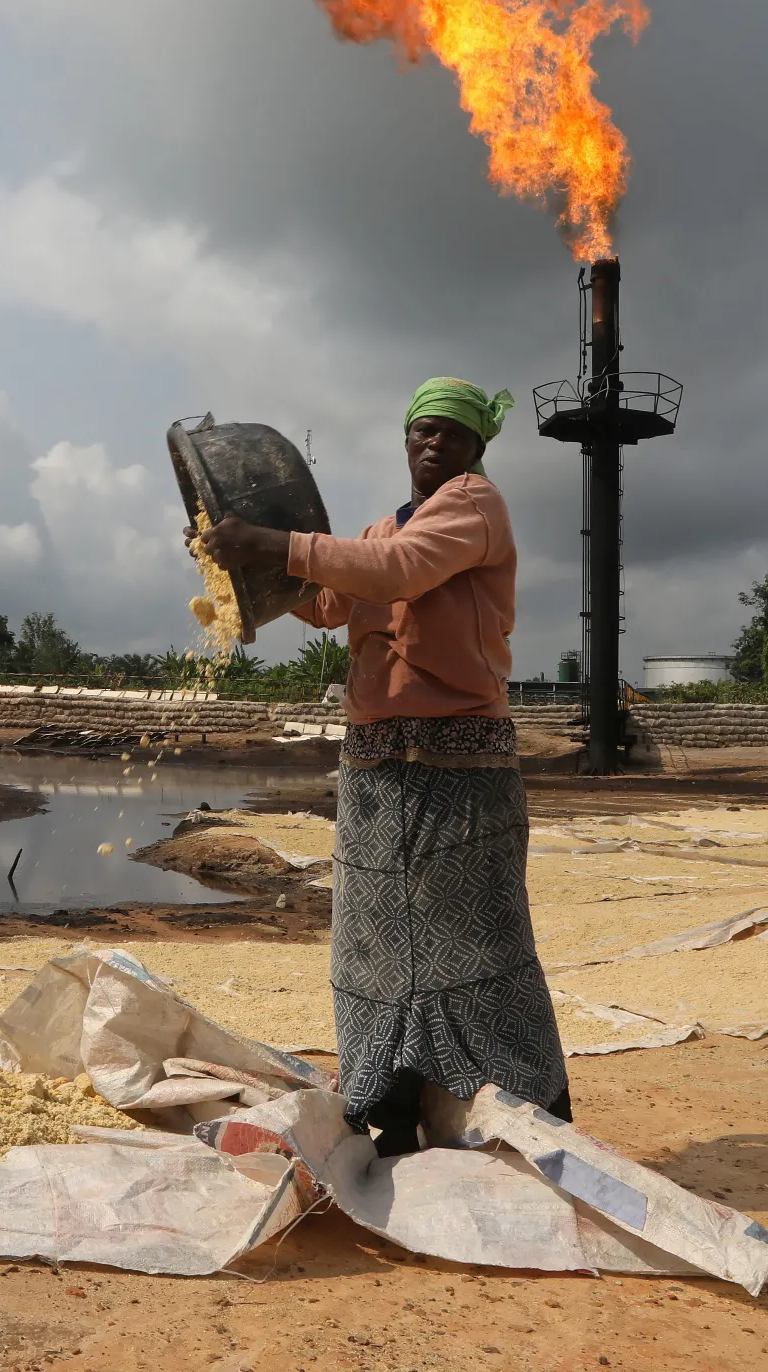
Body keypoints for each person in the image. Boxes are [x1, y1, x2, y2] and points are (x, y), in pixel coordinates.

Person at [193, 377, 567, 1156]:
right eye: (423, 431)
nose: (435, 445)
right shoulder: (381, 527)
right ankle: (390, 1110)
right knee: (373, 947)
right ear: (406, 440)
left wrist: (269, 543)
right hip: (375, 767)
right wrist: (233, 561)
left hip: (458, 768)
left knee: (476, 944)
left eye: (452, 436)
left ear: (477, 450)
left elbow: (395, 572)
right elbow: (330, 599)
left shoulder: (474, 506)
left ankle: (527, 1111)